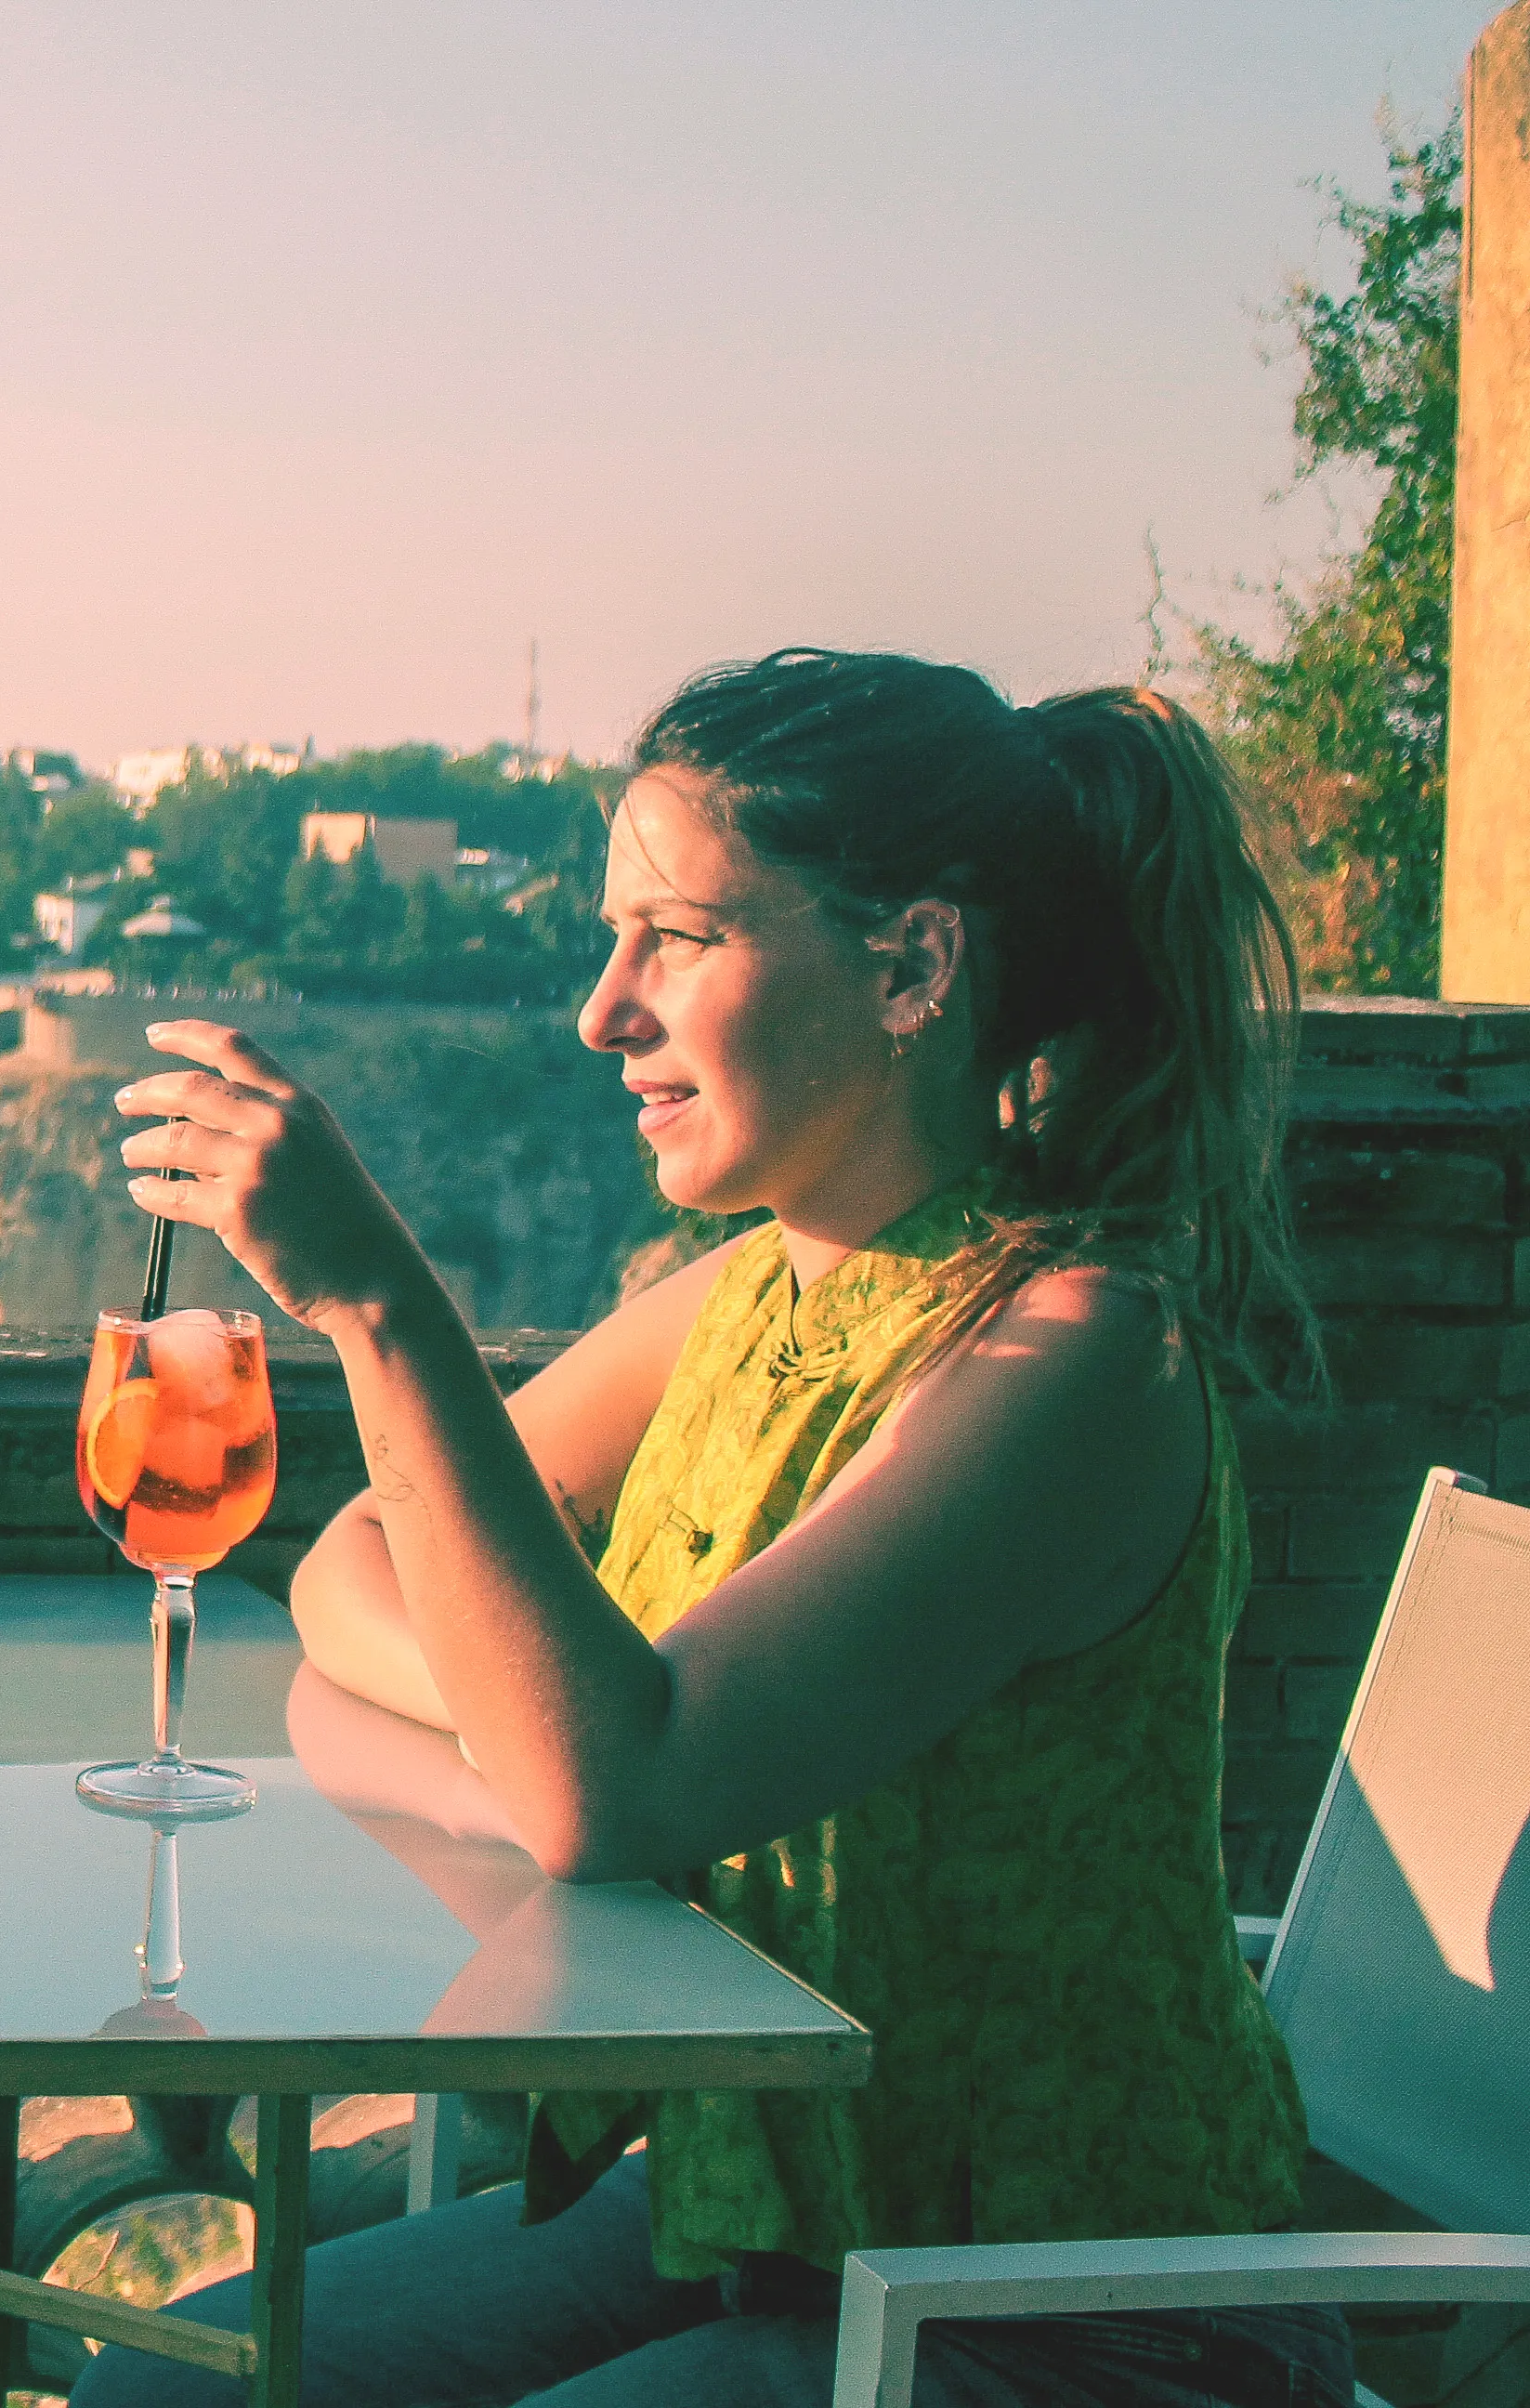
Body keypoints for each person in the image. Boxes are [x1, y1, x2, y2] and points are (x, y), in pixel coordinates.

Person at [72, 650, 1352, 2407]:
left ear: (911, 966)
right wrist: (505, 1766)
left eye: (674, 938)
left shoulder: (1072, 1360)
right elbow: (352, 1566)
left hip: (1076, 2304)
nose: (604, 1012)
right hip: (773, 2222)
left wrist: (377, 1301)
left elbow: (620, 1784)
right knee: (168, 2385)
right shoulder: (749, 1294)